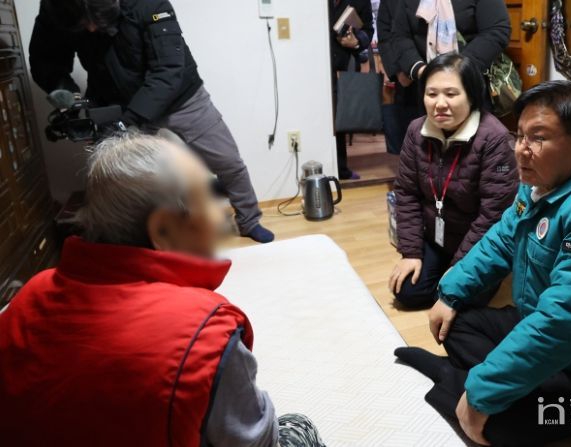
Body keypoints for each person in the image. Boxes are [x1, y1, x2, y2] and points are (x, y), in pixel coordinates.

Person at [0, 133, 324, 447]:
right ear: (164, 231)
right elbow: (258, 440)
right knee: (298, 425)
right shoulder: (207, 334)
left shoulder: (29, 295)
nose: (220, 216)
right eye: (206, 201)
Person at [395, 81, 571, 445]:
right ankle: (480, 383)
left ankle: (455, 379)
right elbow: (502, 238)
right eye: (520, 135)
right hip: (547, 332)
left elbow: (562, 322)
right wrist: (450, 292)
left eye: (537, 138)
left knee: (493, 425)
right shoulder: (542, 178)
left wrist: (482, 394)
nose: (521, 150)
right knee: (457, 322)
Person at [29, 0, 274, 243]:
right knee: (113, 177)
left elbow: (168, 70)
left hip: (180, 95)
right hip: (113, 97)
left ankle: (250, 220)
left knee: (227, 160)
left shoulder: (149, 4)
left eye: (96, 22)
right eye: (83, 25)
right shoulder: (57, 7)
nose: (91, 29)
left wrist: (129, 121)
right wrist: (67, 93)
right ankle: (128, 239)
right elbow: (45, 60)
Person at [388, 54, 518, 309]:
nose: (440, 104)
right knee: (408, 292)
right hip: (438, 236)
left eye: (451, 94)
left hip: (481, 244)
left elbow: (493, 214)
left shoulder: (495, 138)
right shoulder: (416, 130)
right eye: (432, 94)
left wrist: (461, 266)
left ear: (471, 95)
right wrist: (411, 253)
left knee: (459, 300)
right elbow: (406, 193)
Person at [391, 0, 510, 105]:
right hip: (426, 85)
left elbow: (497, 30)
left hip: (470, 82)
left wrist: (459, 68)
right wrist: (420, 69)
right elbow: (400, 36)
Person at [329, 0, 375, 179]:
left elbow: (368, 30)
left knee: (340, 116)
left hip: (344, 65)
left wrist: (356, 41)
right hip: (315, 62)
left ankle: (341, 169)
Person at [377, 0, 420, 155]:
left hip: (439, 70)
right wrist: (398, 71)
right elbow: (384, 36)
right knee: (409, 138)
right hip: (406, 76)